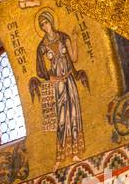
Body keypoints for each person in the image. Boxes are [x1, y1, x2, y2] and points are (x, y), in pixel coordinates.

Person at [28, 10, 88, 163]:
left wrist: (74, 40)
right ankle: (61, 154)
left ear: (51, 22)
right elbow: (40, 68)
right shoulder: (42, 46)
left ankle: (75, 152)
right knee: (62, 116)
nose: (44, 26)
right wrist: (51, 77)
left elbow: (73, 58)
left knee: (74, 113)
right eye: (41, 25)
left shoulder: (63, 37)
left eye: (46, 22)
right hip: (58, 84)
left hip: (69, 79)